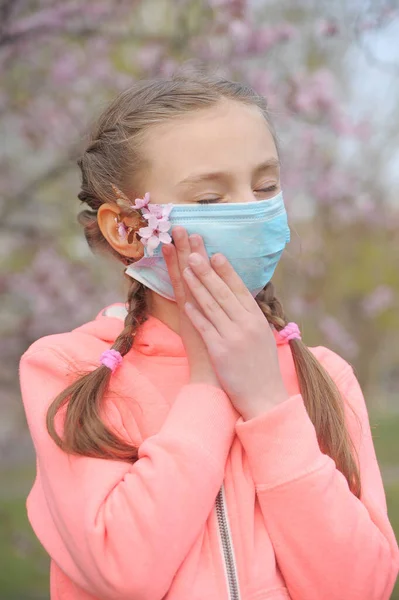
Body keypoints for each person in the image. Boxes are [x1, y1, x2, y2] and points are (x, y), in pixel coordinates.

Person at [19, 69, 399, 600]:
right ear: (126, 229)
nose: (251, 208)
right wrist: (209, 388)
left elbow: (362, 587)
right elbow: (121, 570)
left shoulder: (325, 377)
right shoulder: (67, 369)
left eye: (265, 185)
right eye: (210, 198)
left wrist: (268, 405)